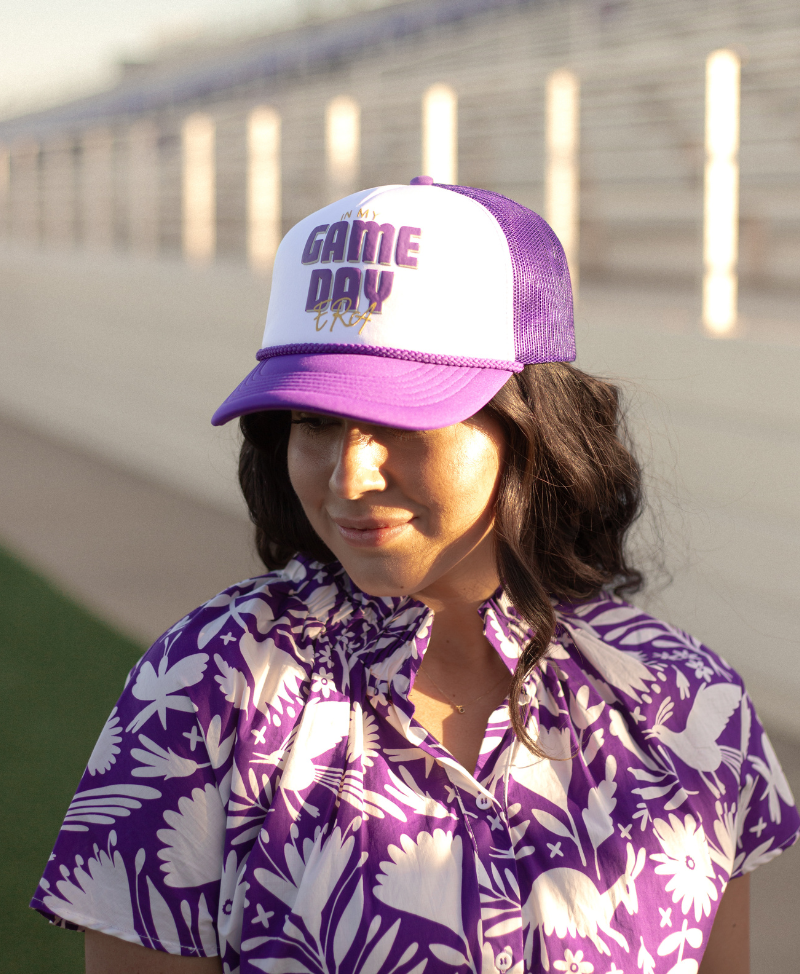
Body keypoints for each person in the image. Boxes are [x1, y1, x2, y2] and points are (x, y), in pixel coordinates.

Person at [33, 180, 798, 974]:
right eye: (315, 420)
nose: (348, 477)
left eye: (400, 418)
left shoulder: (687, 705)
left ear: (531, 422)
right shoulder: (207, 684)